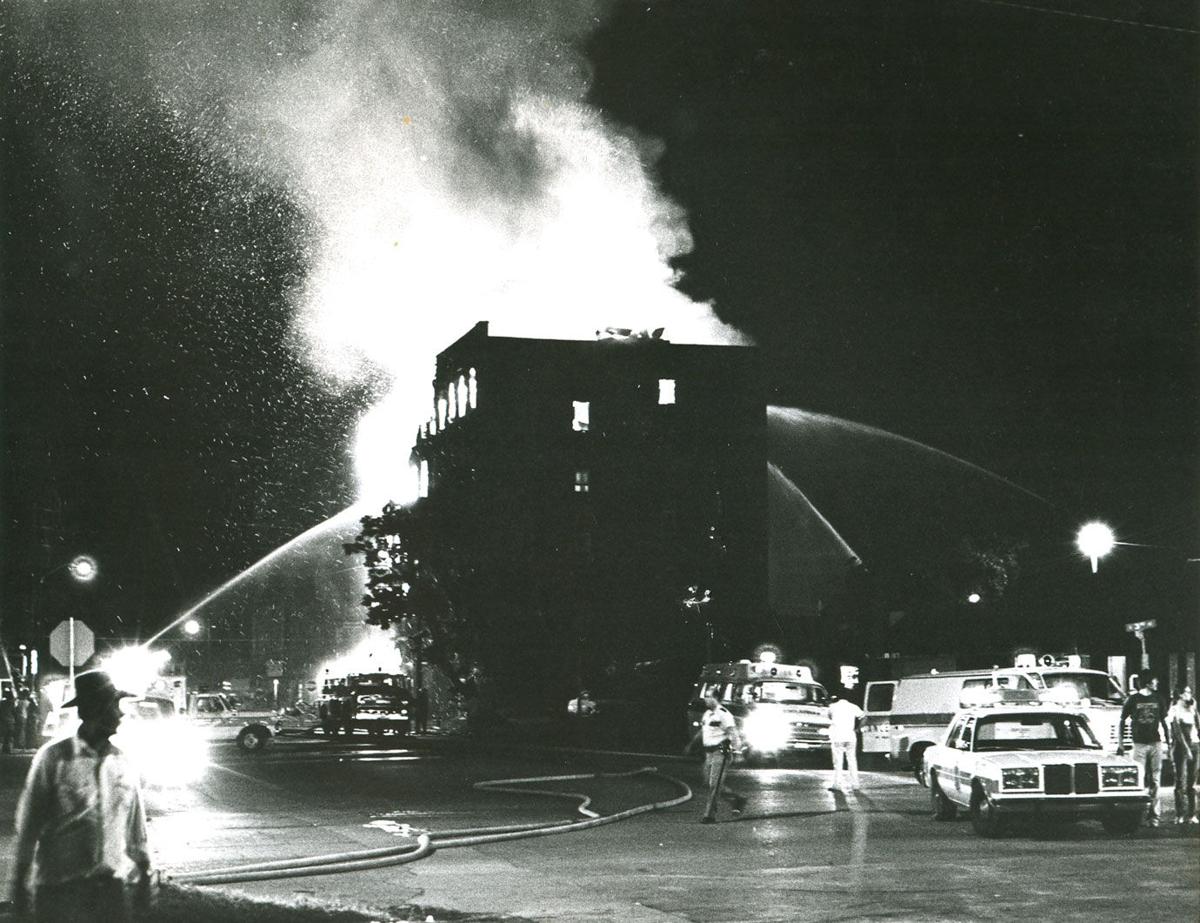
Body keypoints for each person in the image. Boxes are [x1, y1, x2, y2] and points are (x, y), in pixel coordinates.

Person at [10, 670, 154, 922]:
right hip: (61, 893)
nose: (121, 714)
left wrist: (145, 875)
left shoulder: (124, 761)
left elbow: (136, 829)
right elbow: (29, 826)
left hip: (112, 893)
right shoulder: (54, 758)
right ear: (95, 710)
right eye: (115, 706)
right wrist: (20, 884)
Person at [685, 692, 748, 824]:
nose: (706, 699)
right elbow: (703, 731)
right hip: (709, 753)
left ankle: (709, 815)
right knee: (708, 782)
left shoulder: (724, 714)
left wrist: (738, 753)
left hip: (721, 753)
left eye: (709, 697)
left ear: (716, 698)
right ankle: (737, 799)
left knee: (714, 785)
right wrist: (691, 745)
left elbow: (733, 733)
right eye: (706, 696)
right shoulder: (707, 714)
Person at [1117, 673, 1171, 825]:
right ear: (1148, 683)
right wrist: (1120, 743)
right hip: (1139, 743)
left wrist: (1168, 741)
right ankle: (1138, 815)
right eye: (1154, 681)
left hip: (1155, 742)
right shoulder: (1133, 699)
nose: (1157, 683)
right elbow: (1122, 720)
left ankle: (1154, 816)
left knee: (1155, 779)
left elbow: (1164, 721)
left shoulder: (1159, 698)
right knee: (1139, 778)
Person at [1167, 685, 1199, 824]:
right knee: (1180, 779)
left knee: (1192, 780)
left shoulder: (1192, 708)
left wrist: (1193, 708)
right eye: (1186, 692)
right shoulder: (1175, 709)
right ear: (1180, 694)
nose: (1189, 694)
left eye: (1190, 692)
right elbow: (1177, 731)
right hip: (1182, 746)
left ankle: (1192, 813)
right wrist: (1185, 748)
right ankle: (1180, 813)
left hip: (1195, 744)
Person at [827, 691, 865, 792]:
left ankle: (837, 784)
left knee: (838, 761)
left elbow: (829, 717)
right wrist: (858, 729)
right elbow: (864, 717)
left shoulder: (832, 707)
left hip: (837, 736)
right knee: (852, 760)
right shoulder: (853, 706)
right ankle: (855, 784)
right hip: (850, 736)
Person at [1, 687, 17, 754]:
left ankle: (4, 748)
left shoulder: (1, 703)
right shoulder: (11, 703)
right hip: (10, 720)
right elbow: (14, 712)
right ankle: (9, 749)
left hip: (3, 720)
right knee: (9, 735)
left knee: (4, 735)